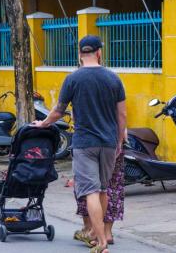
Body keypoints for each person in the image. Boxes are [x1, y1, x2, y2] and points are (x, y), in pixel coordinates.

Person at [34, 35, 127, 253]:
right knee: (103, 189)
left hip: (85, 143)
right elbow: (121, 114)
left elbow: (58, 110)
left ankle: (101, 243)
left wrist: (43, 124)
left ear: (80, 54)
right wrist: (120, 139)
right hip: (108, 142)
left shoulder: (73, 79)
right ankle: (99, 236)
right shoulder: (114, 79)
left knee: (91, 191)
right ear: (99, 52)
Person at [73, 150, 125, 247]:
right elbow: (123, 134)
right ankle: (107, 232)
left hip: (86, 144)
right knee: (112, 185)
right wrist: (119, 143)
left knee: (88, 187)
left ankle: (90, 230)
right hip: (111, 144)